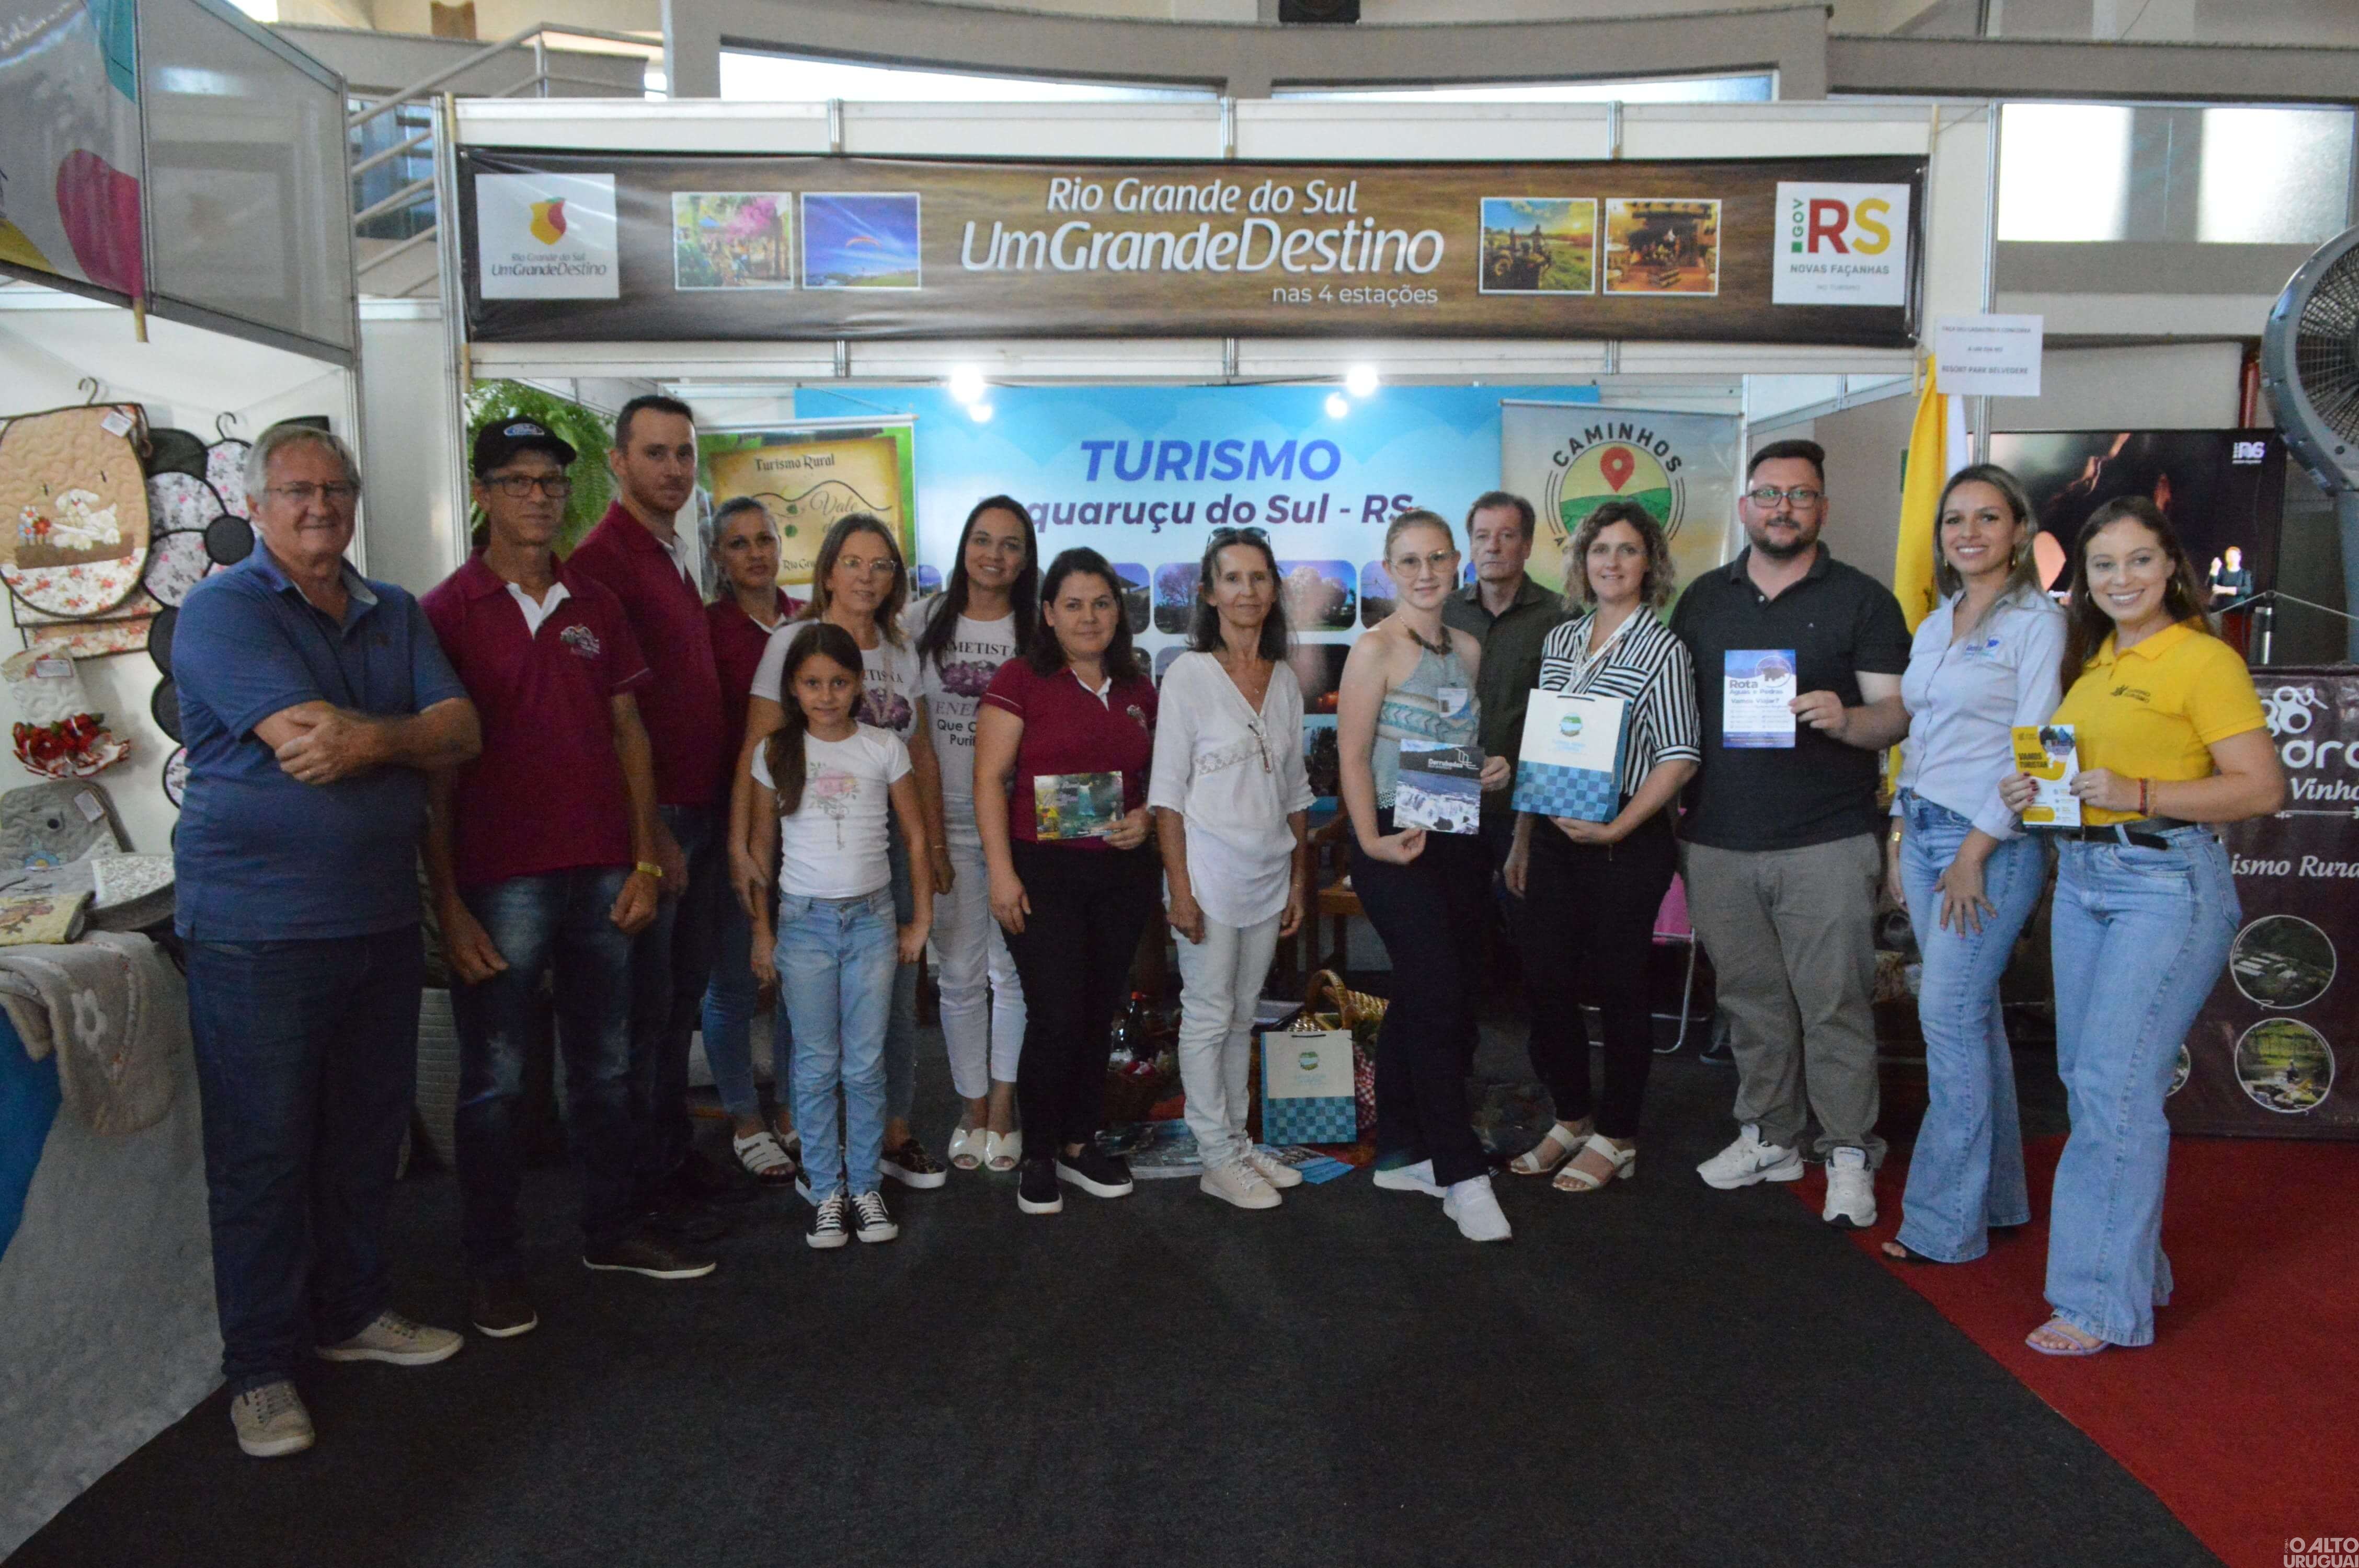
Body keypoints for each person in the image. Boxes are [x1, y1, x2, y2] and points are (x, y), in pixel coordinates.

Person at [172, 422, 482, 1458]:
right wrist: (397, 735)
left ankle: (352, 1315)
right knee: (262, 1156)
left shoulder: (391, 609)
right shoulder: (219, 612)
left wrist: (375, 738)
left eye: (337, 489)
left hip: (380, 922)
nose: (320, 507)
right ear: (256, 507)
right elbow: (309, 742)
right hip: (258, 939)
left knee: (363, 1140)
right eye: (298, 491)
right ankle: (259, 1370)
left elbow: (462, 729)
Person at [423, 421, 714, 1342]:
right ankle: (493, 1266)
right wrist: (447, 903)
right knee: (499, 1084)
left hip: (602, 873)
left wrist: (642, 854)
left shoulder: (595, 598)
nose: (539, 496)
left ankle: (613, 1229)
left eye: (551, 480)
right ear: (482, 493)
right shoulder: (444, 612)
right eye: (517, 481)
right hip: (499, 879)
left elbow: (630, 732)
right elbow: (431, 772)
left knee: (608, 1067)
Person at [1998, 497, 2283, 1355]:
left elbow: (2260, 789)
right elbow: (2092, 785)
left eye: (2137, 561)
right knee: (2094, 1084)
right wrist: (2036, 800)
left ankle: (2098, 1306)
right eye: (2102, 566)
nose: (2120, 578)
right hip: (2087, 876)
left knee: (2114, 1094)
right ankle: (2128, 1270)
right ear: (2082, 581)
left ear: (2169, 570)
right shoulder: (2089, 668)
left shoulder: (2201, 660)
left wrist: (2139, 794)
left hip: (2164, 886)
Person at [1670, 439, 1911, 1229]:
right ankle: (1771, 1134)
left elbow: (1895, 716)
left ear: (1823, 509)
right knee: (1750, 1003)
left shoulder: (1863, 600)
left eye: (1800, 495)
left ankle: (1846, 1150)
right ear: (1745, 507)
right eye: (1769, 494)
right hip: (1718, 840)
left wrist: (1847, 719)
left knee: (1835, 1002)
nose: (1783, 508)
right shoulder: (1704, 598)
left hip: (1826, 841)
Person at [1879, 466, 2064, 1266]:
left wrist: (1974, 853)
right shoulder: (1936, 622)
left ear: (2020, 532)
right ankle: (2000, 1200)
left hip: (1988, 845)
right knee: (1974, 1020)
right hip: (1920, 832)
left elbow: (2038, 754)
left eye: (1989, 518)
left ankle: (1943, 1225)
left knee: (1948, 1019)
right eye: (1956, 519)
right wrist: (1896, 835)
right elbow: (1918, 736)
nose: (1970, 532)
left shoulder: (2040, 625)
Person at [565, 395, 743, 1226]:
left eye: (684, 454)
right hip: (661, 820)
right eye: (657, 454)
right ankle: (635, 1187)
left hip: (701, 808)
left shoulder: (673, 551)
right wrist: (651, 834)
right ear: (619, 462)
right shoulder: (604, 559)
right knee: (643, 1015)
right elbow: (611, 716)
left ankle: (669, 1159)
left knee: (680, 1003)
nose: (674, 469)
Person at [735, 513, 946, 1189]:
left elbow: (920, 750)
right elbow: (758, 749)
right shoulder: (793, 642)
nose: (867, 576)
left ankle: (893, 1129)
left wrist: (934, 841)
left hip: (889, 840)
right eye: (853, 562)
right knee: (810, 999)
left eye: (882, 565)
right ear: (827, 571)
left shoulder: (899, 648)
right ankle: (805, 1126)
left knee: (894, 993)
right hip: (811, 842)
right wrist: (742, 847)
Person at [1502, 500, 1699, 1194]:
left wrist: (1618, 828)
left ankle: (1618, 1135)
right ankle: (1572, 1116)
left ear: (1650, 564)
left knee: (1621, 989)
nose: (1611, 562)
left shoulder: (1664, 649)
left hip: (1625, 841)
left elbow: (1679, 756)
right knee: (1546, 981)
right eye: (1599, 550)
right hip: (1554, 840)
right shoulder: (1562, 641)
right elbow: (1544, 748)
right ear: (1582, 563)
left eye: (1627, 550)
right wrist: (1524, 834)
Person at [1337, 510, 1516, 1243]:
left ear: (1457, 563)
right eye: (1408, 560)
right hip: (1392, 845)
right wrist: (1371, 842)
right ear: (1388, 570)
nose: (1425, 572)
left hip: (1456, 837)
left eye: (1437, 557)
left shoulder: (1468, 649)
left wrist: (1490, 771)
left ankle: (1404, 1151)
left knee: (1435, 991)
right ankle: (1460, 1171)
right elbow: (1350, 758)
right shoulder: (1373, 649)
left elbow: (1454, 752)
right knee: (1438, 991)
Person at [972, 548, 1161, 1216]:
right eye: (1073, 604)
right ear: (1048, 613)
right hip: (1040, 871)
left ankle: (1081, 1143)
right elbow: (990, 781)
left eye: (1102, 603)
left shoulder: (1139, 686)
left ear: (1120, 610)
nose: (1089, 617)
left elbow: (1159, 782)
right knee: (1055, 1012)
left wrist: (1145, 818)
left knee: (1097, 1008)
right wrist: (1000, 874)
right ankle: (1040, 1152)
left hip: (1120, 872)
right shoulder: (1020, 678)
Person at [747, 624, 934, 1248]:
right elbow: (760, 854)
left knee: (864, 1062)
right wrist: (762, 933)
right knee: (815, 1063)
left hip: (873, 923)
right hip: (803, 927)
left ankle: (864, 1187)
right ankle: (826, 1190)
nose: (826, 695)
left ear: (858, 684)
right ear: (794, 689)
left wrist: (921, 922)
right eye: (812, 683)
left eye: (838, 682)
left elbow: (913, 837)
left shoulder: (883, 747)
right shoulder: (776, 751)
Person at [1149, 527, 1314, 1210]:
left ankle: (1240, 1145)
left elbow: (1297, 792)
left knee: (1244, 1015)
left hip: (1269, 874)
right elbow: (1166, 793)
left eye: (1259, 577)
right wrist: (1179, 891)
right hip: (1207, 877)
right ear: (1210, 593)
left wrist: (1301, 877)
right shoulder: (1189, 676)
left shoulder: (1284, 680)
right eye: (1233, 578)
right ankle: (1214, 1155)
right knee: (1208, 1014)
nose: (1247, 591)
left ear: (1274, 589)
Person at [904, 497, 1038, 1173]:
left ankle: (1006, 1108)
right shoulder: (921, 621)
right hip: (943, 822)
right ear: (963, 547)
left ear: (1026, 556)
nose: (994, 555)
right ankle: (972, 1108)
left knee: (1011, 972)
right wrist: (924, 838)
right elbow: (910, 724)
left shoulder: (1038, 628)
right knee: (956, 974)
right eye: (982, 540)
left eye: (1010, 544)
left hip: (1016, 826)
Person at [700, 496, 805, 1184]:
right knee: (735, 979)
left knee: (797, 977)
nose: (755, 554)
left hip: (809, 823)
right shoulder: (707, 629)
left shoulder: (809, 621)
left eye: (764, 540)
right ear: (718, 558)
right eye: (738, 545)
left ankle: (794, 1107)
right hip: (733, 820)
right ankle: (743, 1115)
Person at [1440, 491, 1567, 874]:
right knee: (1454, 925)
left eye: (1507, 536)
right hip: (1446, 794)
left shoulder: (1562, 618)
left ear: (1527, 546)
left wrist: (1528, 828)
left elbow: (1563, 728)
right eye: (1481, 536)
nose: (1492, 547)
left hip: (1527, 810)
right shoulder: (1442, 613)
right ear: (1471, 546)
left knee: (1525, 926)